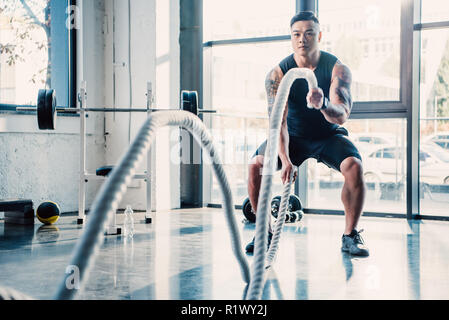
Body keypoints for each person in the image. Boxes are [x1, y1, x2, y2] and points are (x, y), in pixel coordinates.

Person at [245, 11, 369, 257]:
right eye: (297, 34)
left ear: (319, 36)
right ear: (291, 38)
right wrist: (286, 157)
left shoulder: (337, 69)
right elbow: (276, 122)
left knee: (354, 167)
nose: (303, 39)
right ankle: (264, 233)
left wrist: (322, 104)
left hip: (327, 135)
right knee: (255, 166)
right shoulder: (278, 74)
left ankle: (350, 235)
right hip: (292, 137)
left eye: (309, 33)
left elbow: (342, 114)